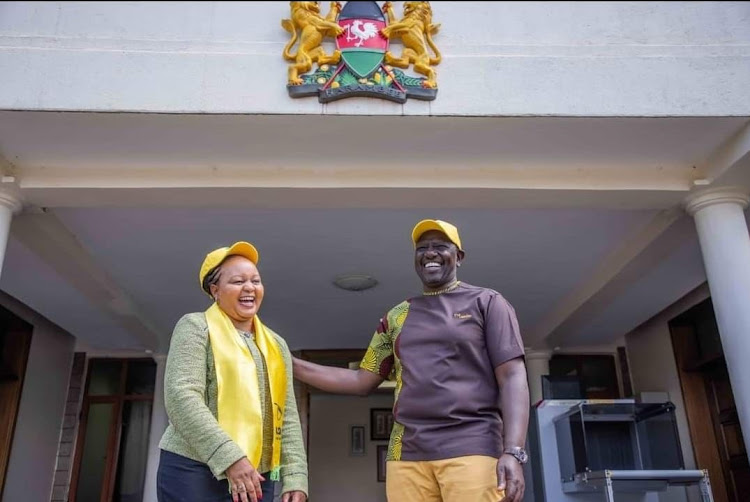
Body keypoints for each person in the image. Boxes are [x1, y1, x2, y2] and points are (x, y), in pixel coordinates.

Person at [293, 219, 529, 502]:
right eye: (422, 248)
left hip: (473, 446)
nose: (430, 253)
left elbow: (512, 376)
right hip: (407, 455)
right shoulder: (397, 316)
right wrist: (289, 363)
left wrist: (513, 450)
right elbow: (360, 380)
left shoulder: (487, 302)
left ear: (459, 257)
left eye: (440, 246)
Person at [158, 241, 308, 502]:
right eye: (238, 281)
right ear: (215, 290)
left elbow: (287, 414)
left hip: (256, 475)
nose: (249, 287)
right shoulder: (195, 327)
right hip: (193, 470)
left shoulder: (276, 344)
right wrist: (230, 457)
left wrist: (296, 475)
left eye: (255, 281)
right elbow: (182, 397)